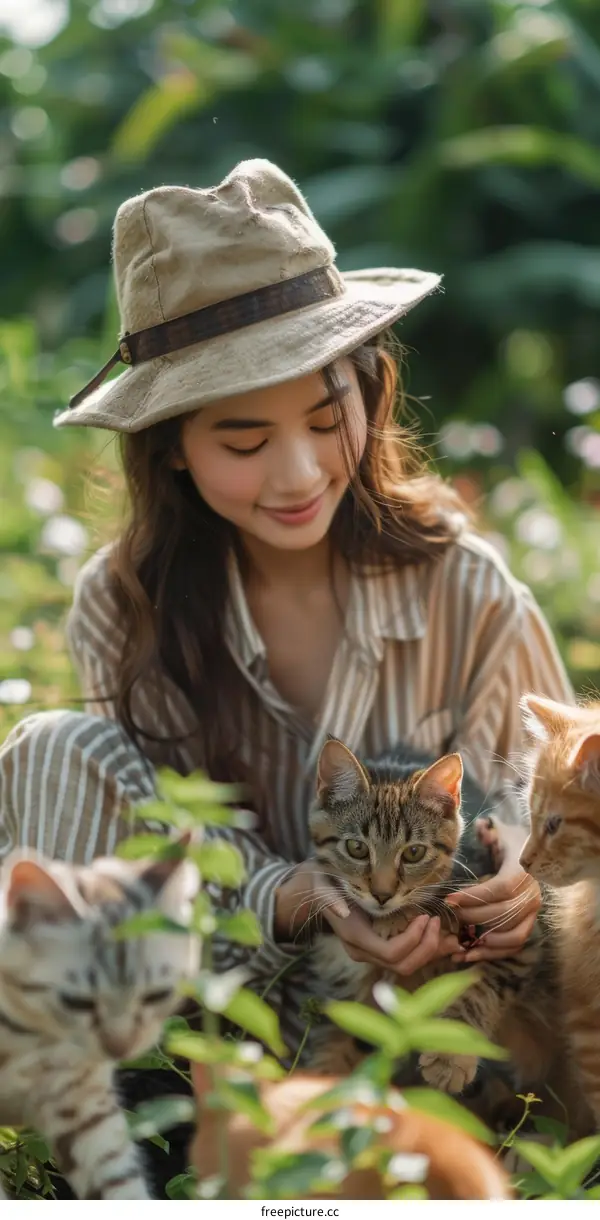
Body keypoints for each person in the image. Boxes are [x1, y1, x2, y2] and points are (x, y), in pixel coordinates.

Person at [1, 158, 572, 1066]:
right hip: (214, 995)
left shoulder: (467, 588)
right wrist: (304, 895)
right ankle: (132, 1114)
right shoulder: (126, 604)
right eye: (244, 438)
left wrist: (518, 883)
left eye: (323, 414)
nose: (300, 473)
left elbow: (562, 798)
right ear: (175, 450)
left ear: (369, 389)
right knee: (48, 751)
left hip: (449, 1017)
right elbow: (165, 842)